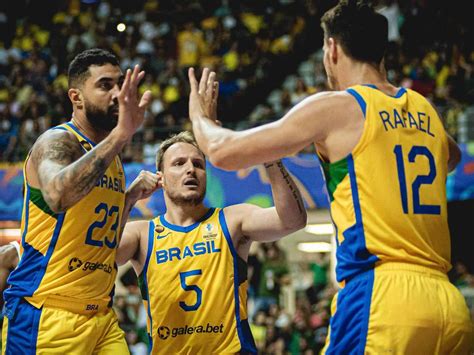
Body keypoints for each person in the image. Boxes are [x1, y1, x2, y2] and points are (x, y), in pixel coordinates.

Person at [186, 1, 473, 353]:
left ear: (332, 48)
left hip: (383, 296)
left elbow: (221, 152)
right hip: (448, 302)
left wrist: (200, 118)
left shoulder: (338, 106)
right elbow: (452, 157)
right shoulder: (423, 109)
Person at [1, 48, 157, 354]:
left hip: (101, 317)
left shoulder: (112, 161)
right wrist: (122, 135)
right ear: (76, 98)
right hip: (47, 314)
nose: (116, 94)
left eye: (119, 84)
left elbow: (102, 237)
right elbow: (58, 195)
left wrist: (127, 200)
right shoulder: (57, 141)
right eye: (104, 85)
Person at [116, 131, 307, 354]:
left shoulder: (232, 220)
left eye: (198, 164)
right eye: (179, 163)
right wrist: (128, 199)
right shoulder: (143, 234)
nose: (191, 169)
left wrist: (271, 159)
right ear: (161, 178)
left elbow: (292, 221)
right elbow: (101, 259)